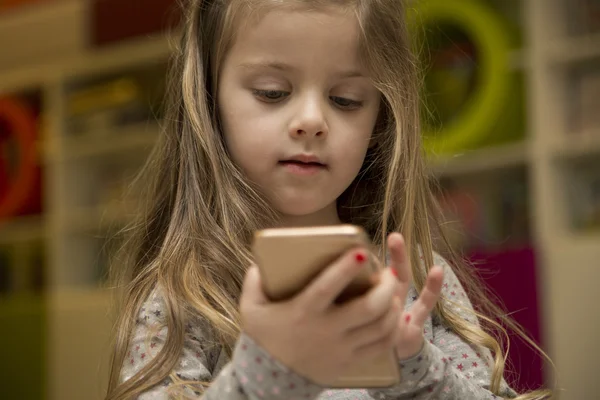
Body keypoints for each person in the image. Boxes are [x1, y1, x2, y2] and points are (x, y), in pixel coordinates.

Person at [105, 0, 552, 399]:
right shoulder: (184, 297)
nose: (312, 120)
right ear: (207, 99)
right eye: (272, 92)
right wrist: (266, 377)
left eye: (346, 99)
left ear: (380, 117)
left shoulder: (413, 279)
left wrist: (416, 368)